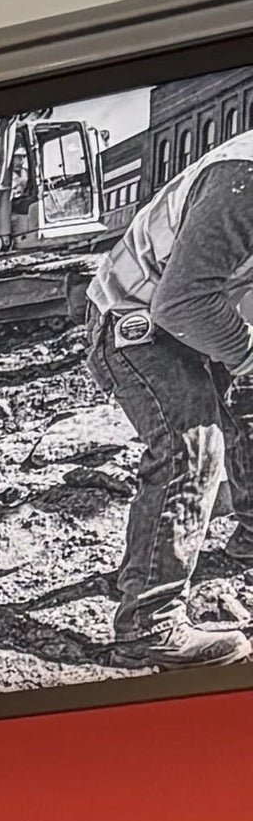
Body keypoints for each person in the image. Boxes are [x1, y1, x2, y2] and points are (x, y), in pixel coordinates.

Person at [88, 133, 253, 667]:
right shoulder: (245, 181)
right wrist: (249, 357)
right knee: (192, 448)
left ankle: (248, 535)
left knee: (240, 415)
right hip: (133, 323)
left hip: (187, 315)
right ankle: (147, 626)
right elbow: (181, 305)